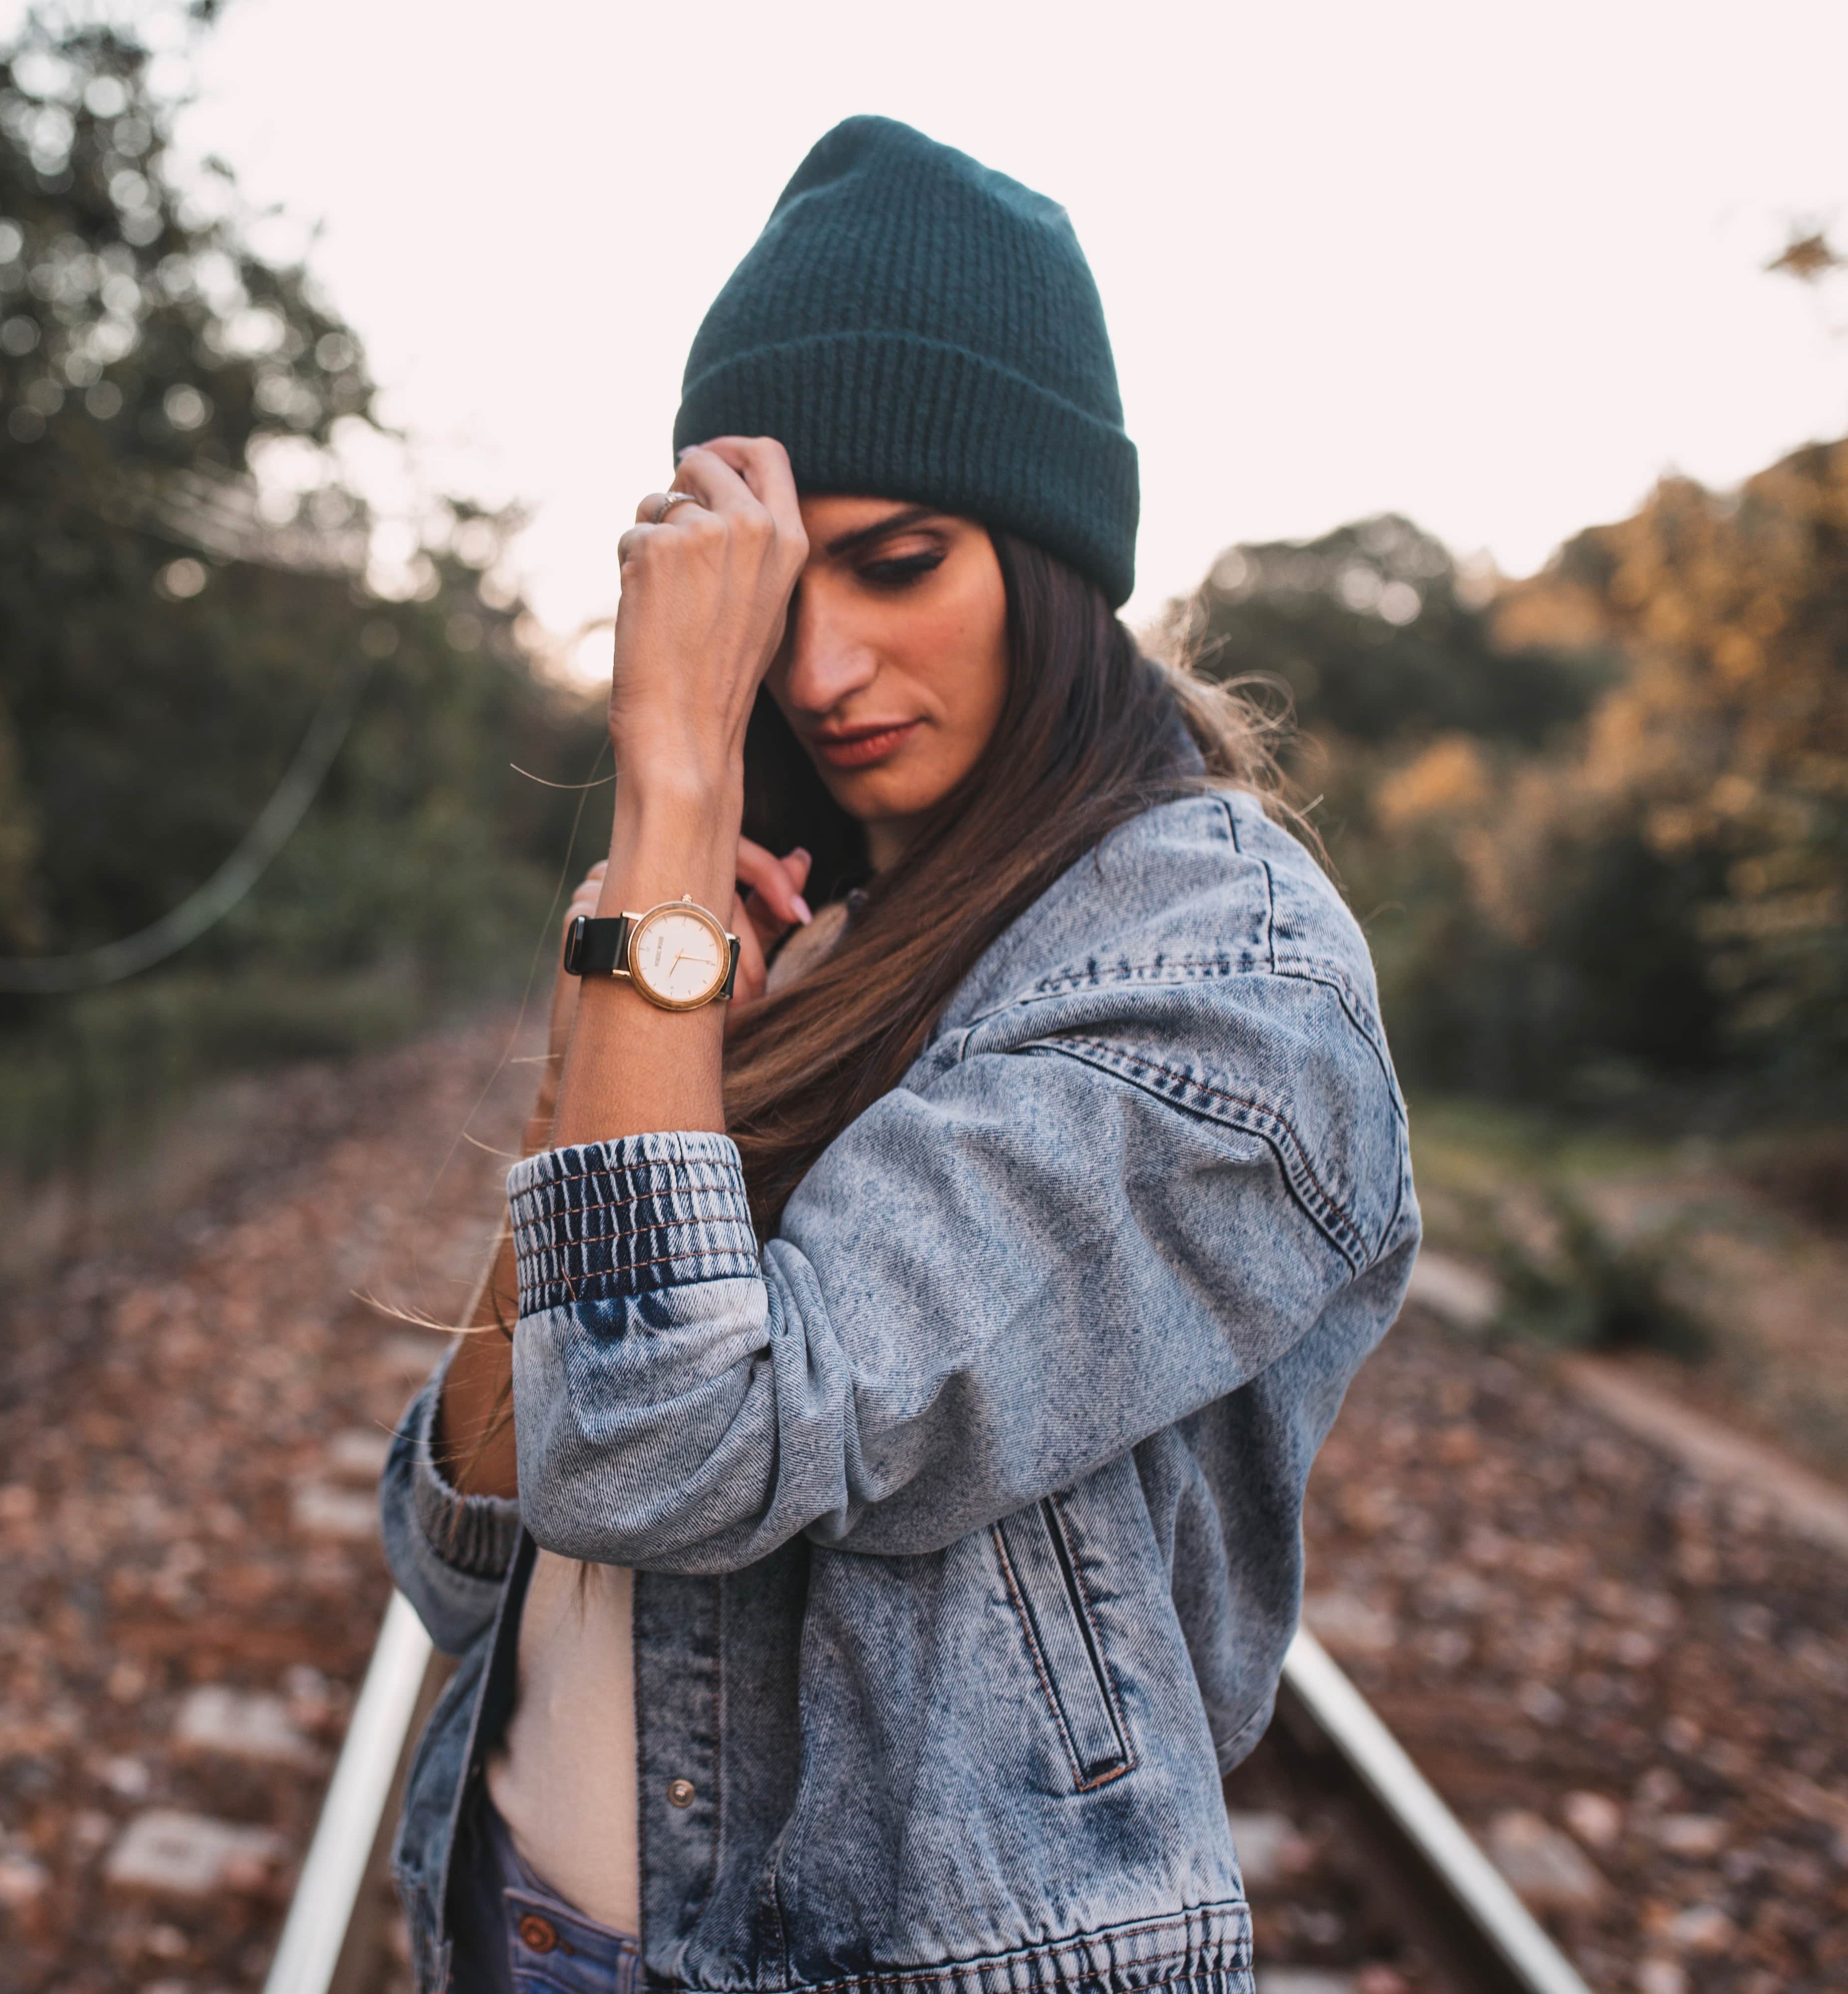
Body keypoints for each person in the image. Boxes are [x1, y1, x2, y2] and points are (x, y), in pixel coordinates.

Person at [381, 115, 1419, 1994]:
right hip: (517, 1930)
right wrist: (588, 1079)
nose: (820, 673)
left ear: (1052, 555)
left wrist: (670, 799)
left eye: (901, 565)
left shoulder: (1215, 975)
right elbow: (457, 1552)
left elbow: (659, 1455)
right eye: (779, 606)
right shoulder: (789, 930)